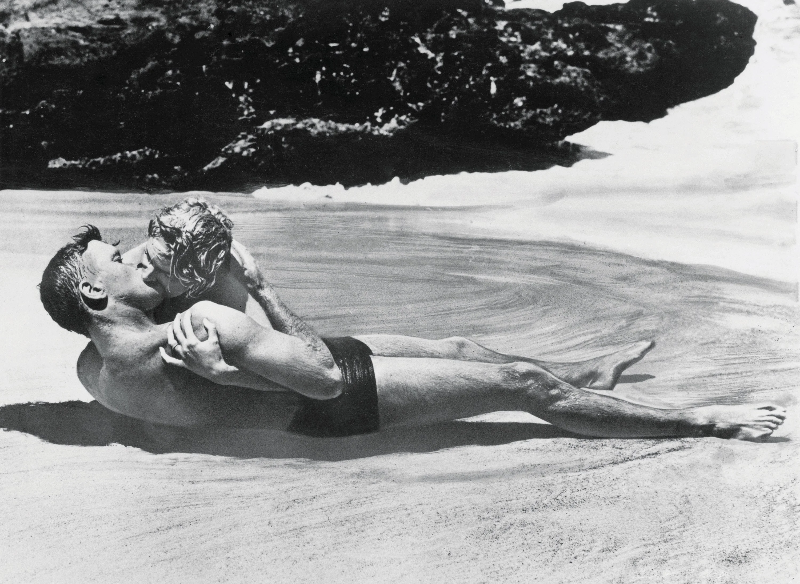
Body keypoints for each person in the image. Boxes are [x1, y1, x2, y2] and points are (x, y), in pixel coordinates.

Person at [39, 218, 787, 440]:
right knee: (522, 386)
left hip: (288, 374)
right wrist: (254, 286)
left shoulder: (95, 371)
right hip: (331, 397)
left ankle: (586, 381)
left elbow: (191, 403)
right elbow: (321, 375)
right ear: (95, 294)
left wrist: (224, 379)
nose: (141, 254)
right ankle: (704, 421)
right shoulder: (201, 321)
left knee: (465, 351)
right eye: (124, 258)